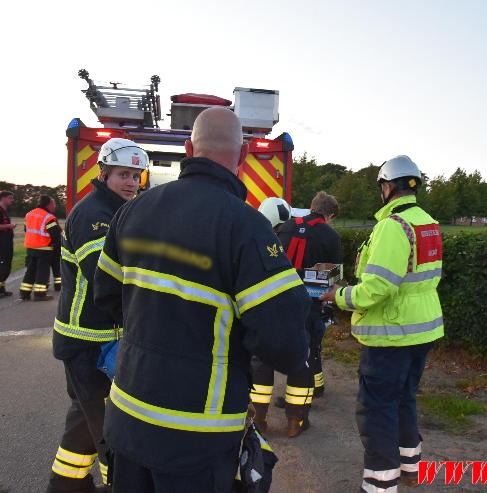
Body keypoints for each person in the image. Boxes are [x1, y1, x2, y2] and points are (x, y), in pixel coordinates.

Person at [94, 107, 311, 493]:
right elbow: (285, 344)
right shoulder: (247, 228)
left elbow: (107, 296)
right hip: (197, 435)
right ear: (243, 155)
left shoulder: (131, 211)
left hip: (127, 418)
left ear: (188, 148)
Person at [320, 155, 444, 492]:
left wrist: (338, 296)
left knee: (377, 410)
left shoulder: (393, 226)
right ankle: (409, 466)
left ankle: (380, 484)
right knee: (404, 399)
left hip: (392, 334)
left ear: (388, 187)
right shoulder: (427, 222)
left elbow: (378, 288)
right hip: (422, 330)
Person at [45, 138, 149, 493]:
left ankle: (66, 484)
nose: (131, 183)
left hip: (98, 339)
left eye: (136, 176)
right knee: (110, 427)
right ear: (103, 173)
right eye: (123, 174)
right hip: (88, 341)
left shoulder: (116, 211)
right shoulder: (94, 215)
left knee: (84, 418)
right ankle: (117, 483)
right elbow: (107, 278)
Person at [250, 192, 341, 438]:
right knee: (303, 361)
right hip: (307, 309)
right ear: (329, 215)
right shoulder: (331, 237)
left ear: (311, 207)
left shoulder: (284, 227)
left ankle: (257, 419)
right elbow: (329, 283)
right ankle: (295, 422)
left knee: (262, 359)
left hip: (273, 305)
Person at [19, 195, 61, 301]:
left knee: (30, 271)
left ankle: (24, 293)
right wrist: (55, 246)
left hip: (30, 247)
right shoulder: (48, 217)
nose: (54, 206)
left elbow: (26, 229)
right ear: (49, 204)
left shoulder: (29, 214)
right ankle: (40, 294)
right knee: (42, 271)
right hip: (44, 248)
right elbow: (55, 234)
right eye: (54, 204)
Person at [0, 190, 16, 297]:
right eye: (10, 198)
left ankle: (2, 288)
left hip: (6, 243)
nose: (12, 200)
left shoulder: (4, 211)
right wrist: (8, 226)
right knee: (2, 265)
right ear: (3, 198)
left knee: (6, 266)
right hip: (1, 243)